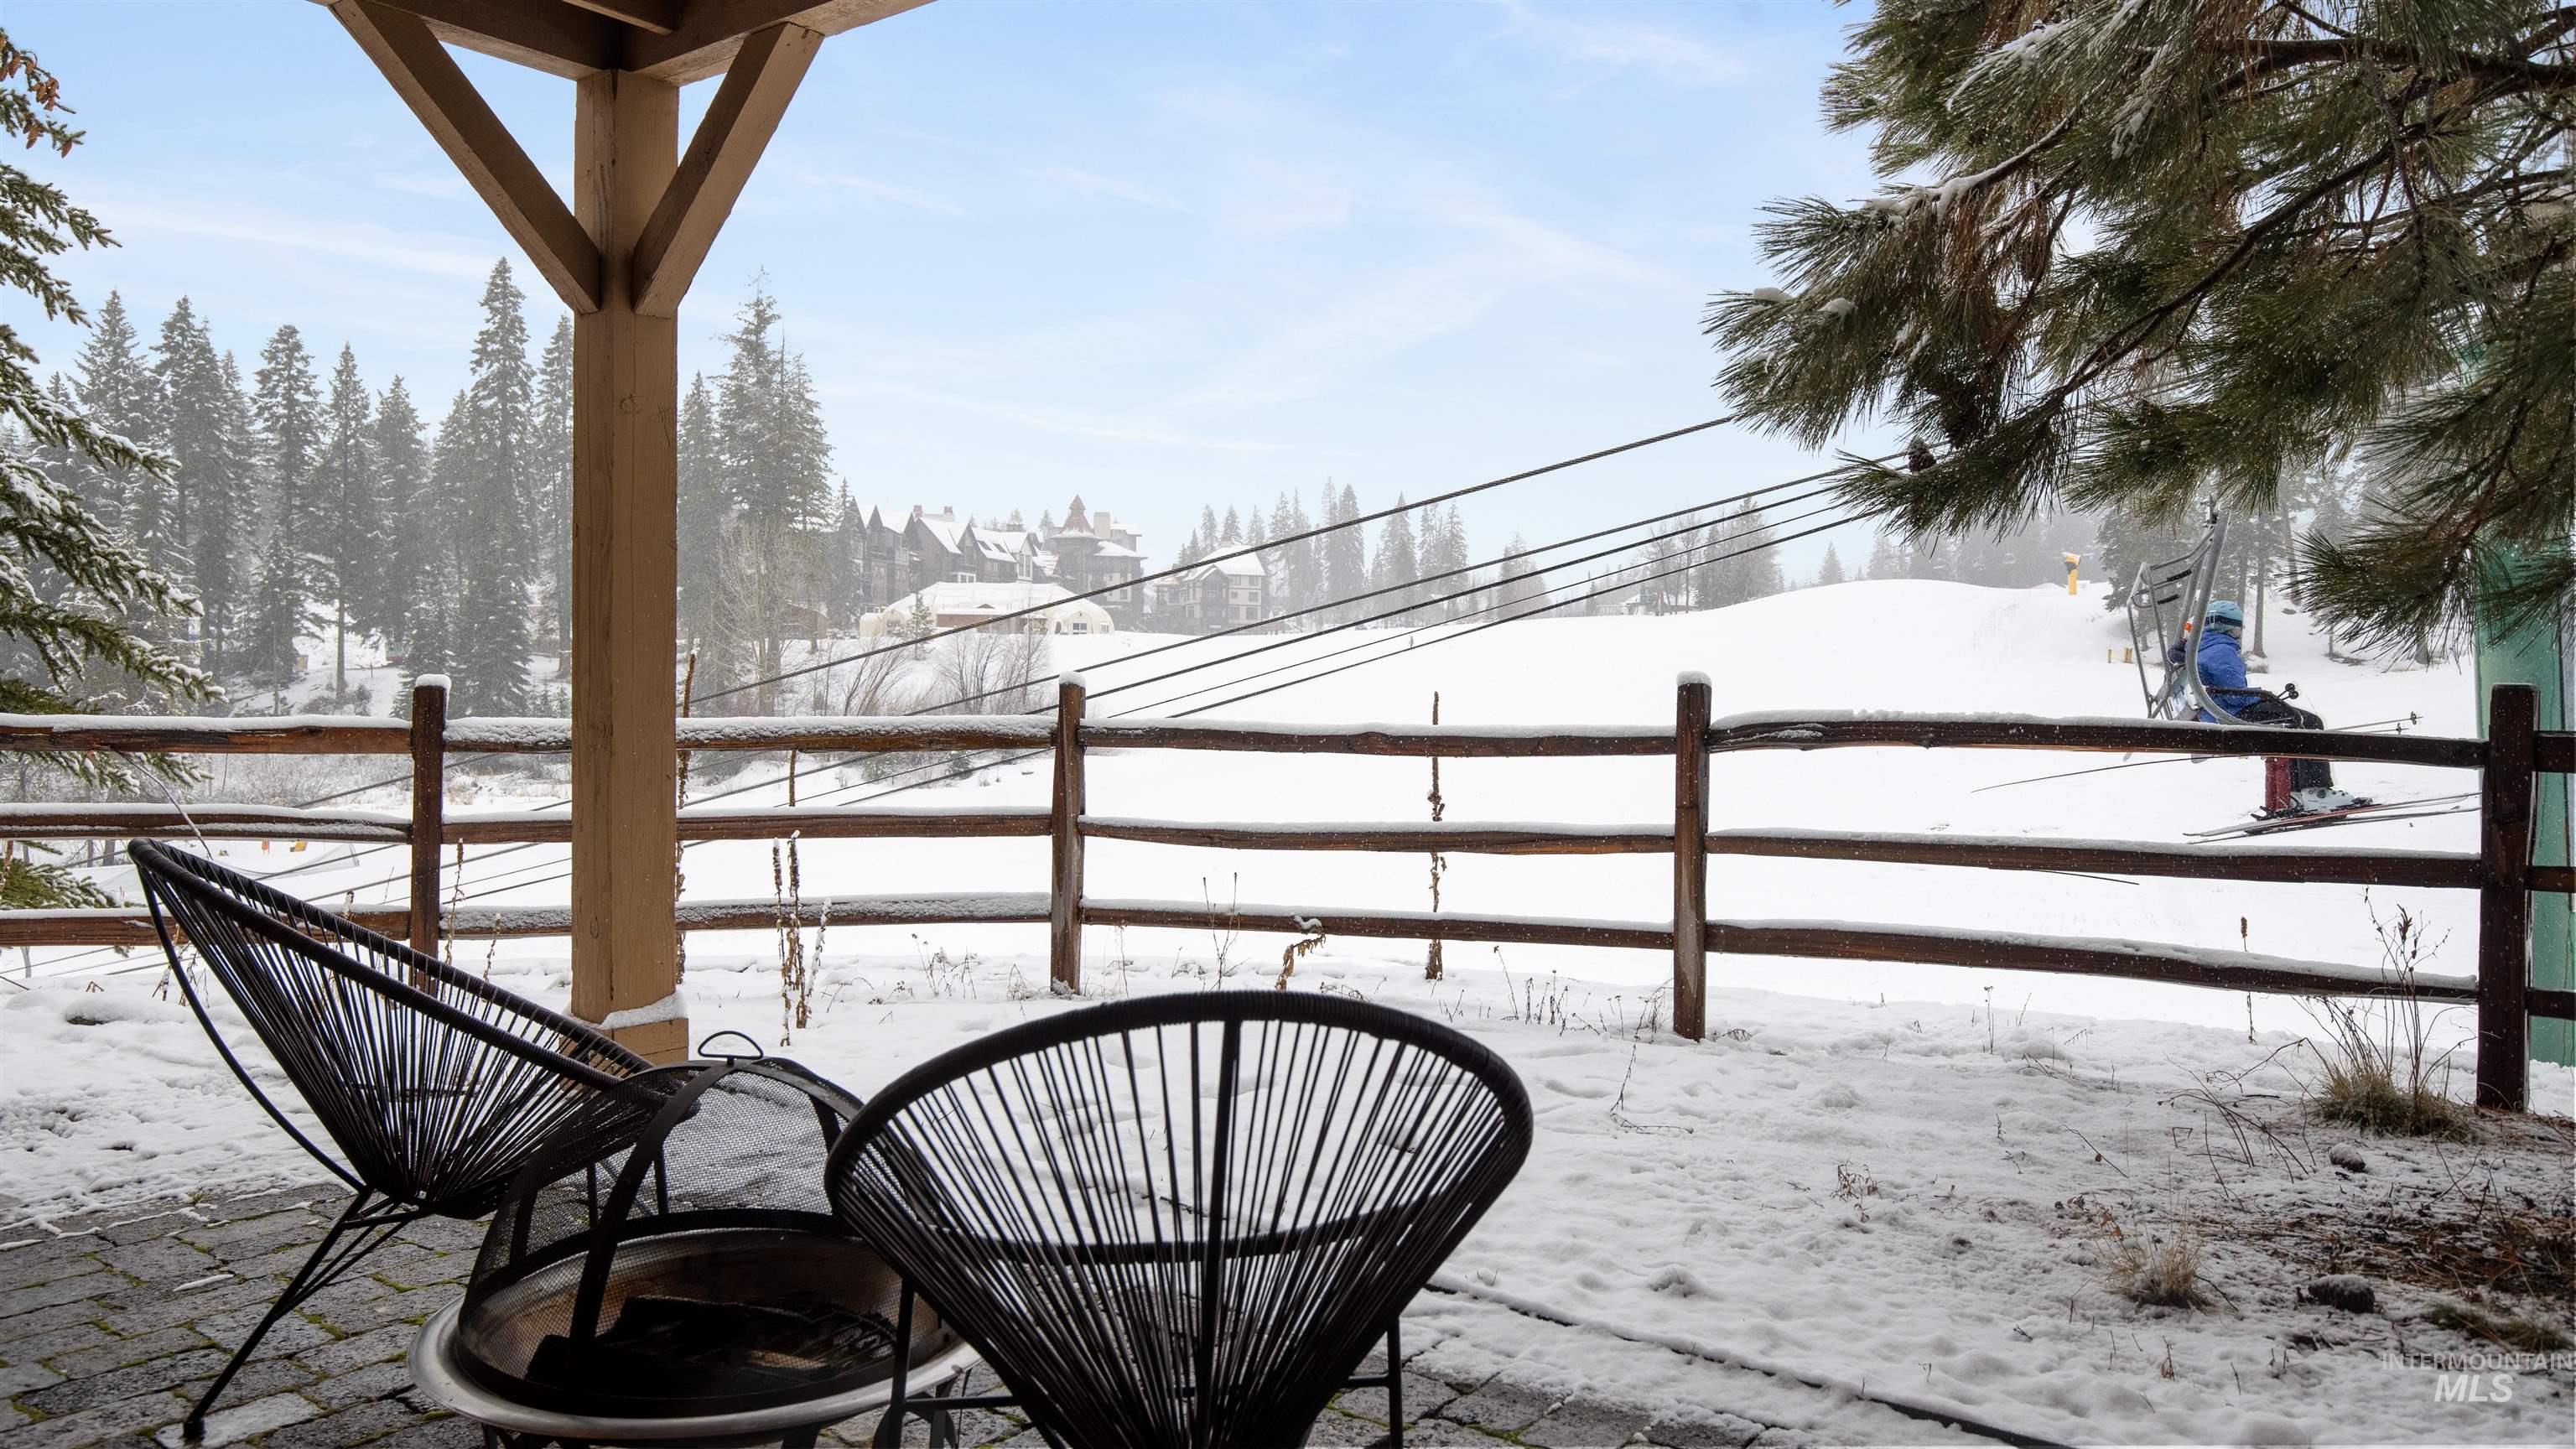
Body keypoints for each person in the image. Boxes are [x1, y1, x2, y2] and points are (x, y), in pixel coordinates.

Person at [2191, 600, 2357, 813]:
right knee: (2306, 722)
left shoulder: (2201, 645)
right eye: (2237, 628)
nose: (2238, 633)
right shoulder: (2221, 650)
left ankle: (2297, 794)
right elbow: (2235, 696)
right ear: (2230, 627)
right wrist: (2263, 696)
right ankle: (2316, 791)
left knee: (2291, 727)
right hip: (2229, 712)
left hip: (2215, 710)